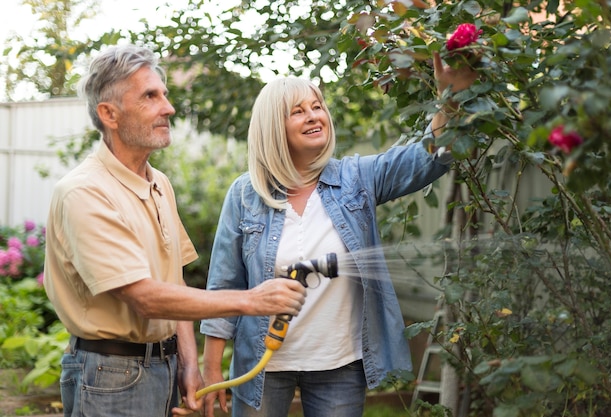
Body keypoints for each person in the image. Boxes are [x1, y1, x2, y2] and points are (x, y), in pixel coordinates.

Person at [199, 51, 477, 417]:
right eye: (298, 111)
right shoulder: (245, 194)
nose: (314, 116)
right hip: (264, 365)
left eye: (317, 107)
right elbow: (224, 286)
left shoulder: (356, 179)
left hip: (339, 364)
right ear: (272, 127)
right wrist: (210, 367)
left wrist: (449, 102)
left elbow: (429, 158)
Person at [43, 44, 306, 417]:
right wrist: (252, 301)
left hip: (161, 367)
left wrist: (187, 362)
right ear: (109, 114)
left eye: (164, 95)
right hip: (111, 376)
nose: (168, 107)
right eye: (150, 96)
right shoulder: (84, 192)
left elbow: (174, 282)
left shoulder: (159, 183)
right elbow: (146, 298)